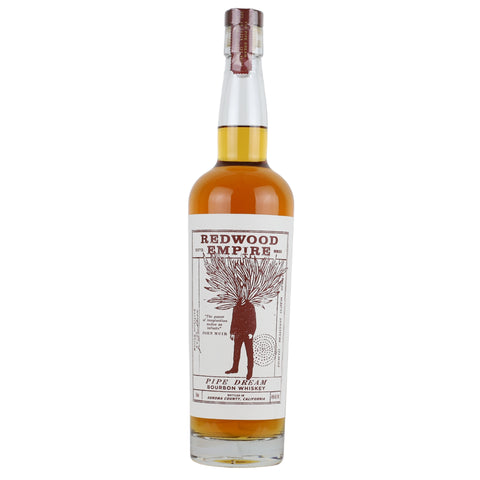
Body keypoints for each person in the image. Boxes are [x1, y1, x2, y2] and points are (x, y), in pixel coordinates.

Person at [225, 291, 256, 380]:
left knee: (249, 353)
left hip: (247, 333)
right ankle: (235, 368)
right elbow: (233, 320)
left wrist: (251, 332)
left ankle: (250, 372)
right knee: (236, 352)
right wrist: (232, 332)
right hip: (238, 333)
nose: (242, 295)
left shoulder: (250, 306)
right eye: (241, 293)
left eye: (244, 293)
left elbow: (253, 320)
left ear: (246, 294)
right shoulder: (236, 307)